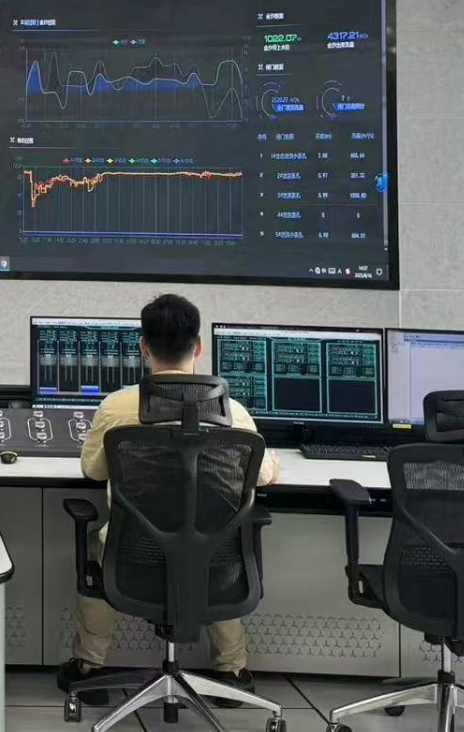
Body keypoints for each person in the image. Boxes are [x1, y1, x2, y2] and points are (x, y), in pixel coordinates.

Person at [58, 293, 280, 707]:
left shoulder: (117, 407)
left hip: (133, 565)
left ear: (144, 347)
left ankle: (90, 668)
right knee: (220, 544)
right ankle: (232, 671)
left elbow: (93, 471)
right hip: (215, 568)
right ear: (199, 346)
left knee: (97, 547)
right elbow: (263, 474)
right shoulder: (232, 412)